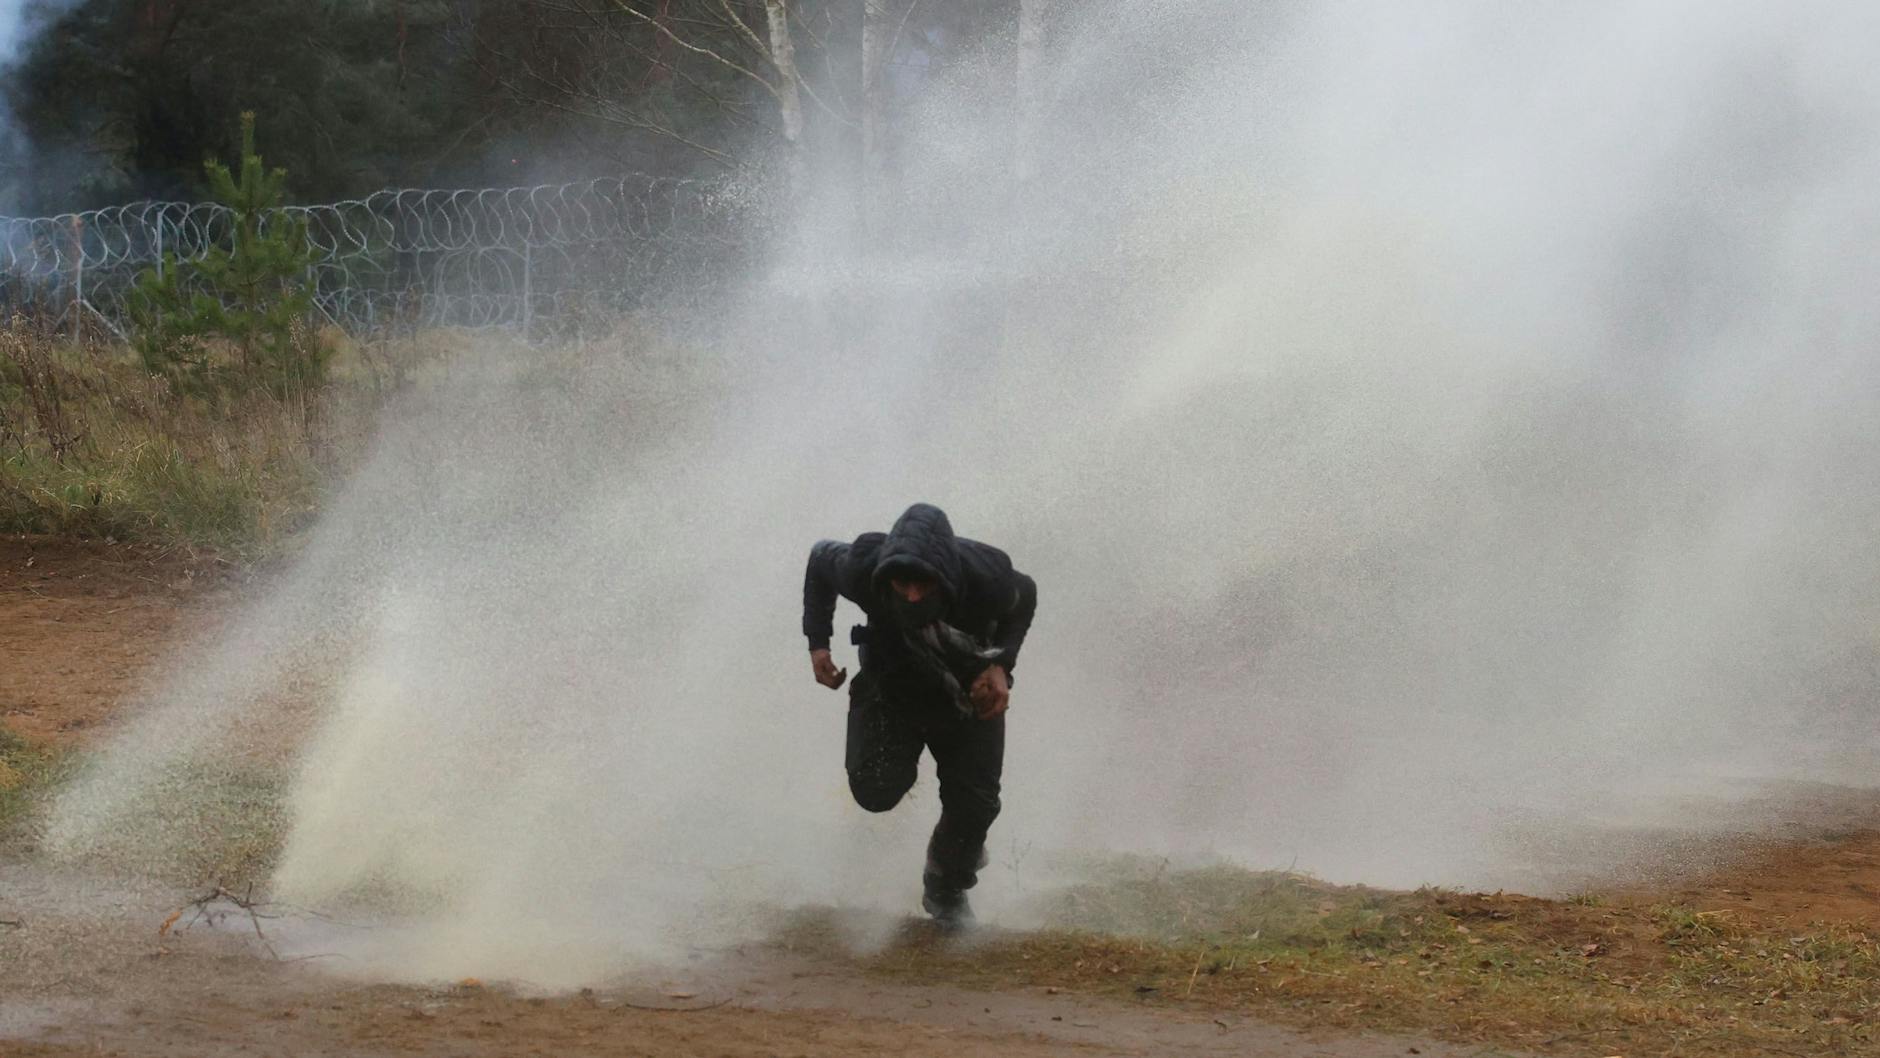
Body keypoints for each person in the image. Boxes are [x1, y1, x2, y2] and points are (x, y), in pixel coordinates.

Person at [801, 503, 1038, 927]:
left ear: (945, 578)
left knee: (975, 807)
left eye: (923, 585)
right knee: (875, 789)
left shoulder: (988, 579)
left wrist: (1002, 663)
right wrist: (818, 643)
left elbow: (1026, 599)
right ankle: (909, 786)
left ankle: (946, 888)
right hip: (891, 689)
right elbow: (820, 559)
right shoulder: (863, 568)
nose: (911, 595)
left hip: (968, 694)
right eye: (902, 583)